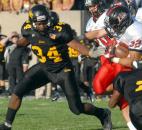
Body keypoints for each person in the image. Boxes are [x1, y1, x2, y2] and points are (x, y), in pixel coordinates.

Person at [0, 4, 112, 130]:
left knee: (76, 108)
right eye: (39, 23)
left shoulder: (59, 30)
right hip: (44, 68)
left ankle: (103, 113)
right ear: (32, 23)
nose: (42, 26)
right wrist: (16, 43)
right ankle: (7, 125)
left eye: (44, 22)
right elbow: (27, 39)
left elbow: (74, 44)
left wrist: (90, 52)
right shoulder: (28, 29)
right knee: (17, 91)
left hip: (62, 70)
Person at [104, 4, 142, 130]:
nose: (113, 27)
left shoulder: (136, 31)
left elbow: (134, 62)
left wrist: (113, 57)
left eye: (114, 23)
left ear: (122, 20)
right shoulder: (131, 28)